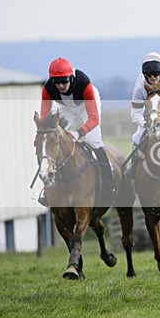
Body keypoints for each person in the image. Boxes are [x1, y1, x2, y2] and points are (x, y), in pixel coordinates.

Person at [38, 57, 116, 206]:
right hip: (65, 108)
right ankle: (48, 188)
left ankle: (108, 183)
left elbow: (93, 118)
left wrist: (78, 133)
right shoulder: (47, 89)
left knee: (93, 140)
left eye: (64, 82)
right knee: (54, 142)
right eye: (57, 82)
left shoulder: (83, 83)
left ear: (71, 78)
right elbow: (45, 121)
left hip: (86, 106)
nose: (61, 86)